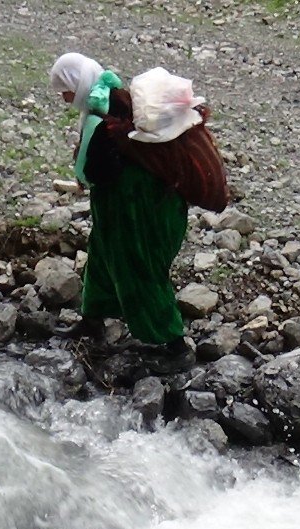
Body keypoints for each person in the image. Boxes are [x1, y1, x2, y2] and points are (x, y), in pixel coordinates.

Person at [49, 53, 197, 373]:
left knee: (137, 267)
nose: (62, 98)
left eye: (65, 90)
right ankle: (93, 320)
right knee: (102, 255)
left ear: (78, 83)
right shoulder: (105, 100)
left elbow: (95, 168)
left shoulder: (105, 110)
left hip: (137, 205)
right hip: (117, 202)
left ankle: (175, 346)